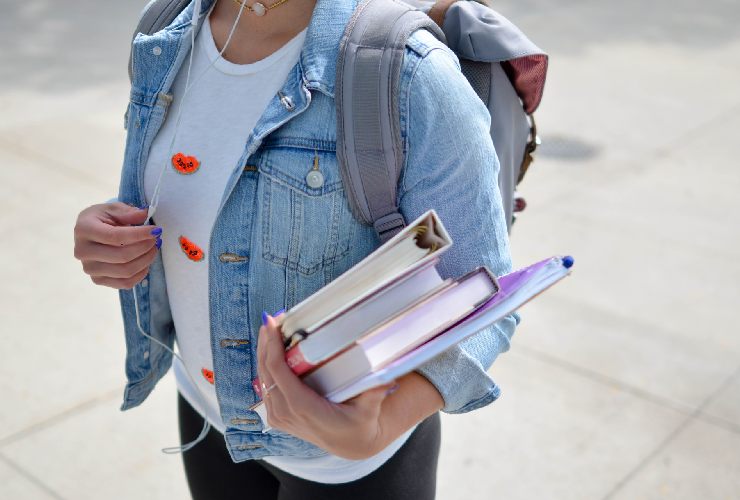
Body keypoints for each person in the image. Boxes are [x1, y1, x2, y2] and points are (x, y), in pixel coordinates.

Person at [72, 0, 517, 497]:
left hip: (350, 468)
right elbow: (186, 191)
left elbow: (483, 293)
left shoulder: (408, 72)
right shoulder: (165, 31)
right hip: (205, 411)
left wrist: (381, 424)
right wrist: (111, 232)